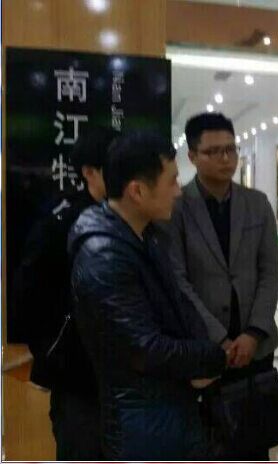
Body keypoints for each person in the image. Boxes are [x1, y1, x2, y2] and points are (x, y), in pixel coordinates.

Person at [68, 130, 229, 460]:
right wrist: (212, 357)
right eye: (171, 181)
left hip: (170, 414)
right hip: (143, 426)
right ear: (137, 191)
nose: (178, 191)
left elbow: (180, 308)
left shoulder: (146, 236)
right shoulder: (104, 256)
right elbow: (145, 349)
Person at [163, 112, 278, 460]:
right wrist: (218, 338)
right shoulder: (176, 207)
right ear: (192, 156)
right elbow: (178, 280)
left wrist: (254, 333)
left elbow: (269, 273)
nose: (225, 158)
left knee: (254, 439)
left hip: (255, 347)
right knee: (210, 441)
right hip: (204, 347)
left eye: (230, 149)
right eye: (213, 151)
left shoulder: (257, 203)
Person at [14, 127, 116, 460]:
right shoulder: (62, 220)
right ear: (89, 172)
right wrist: (51, 349)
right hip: (76, 378)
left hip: (124, 378)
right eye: (115, 165)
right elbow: (29, 290)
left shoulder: (131, 217)